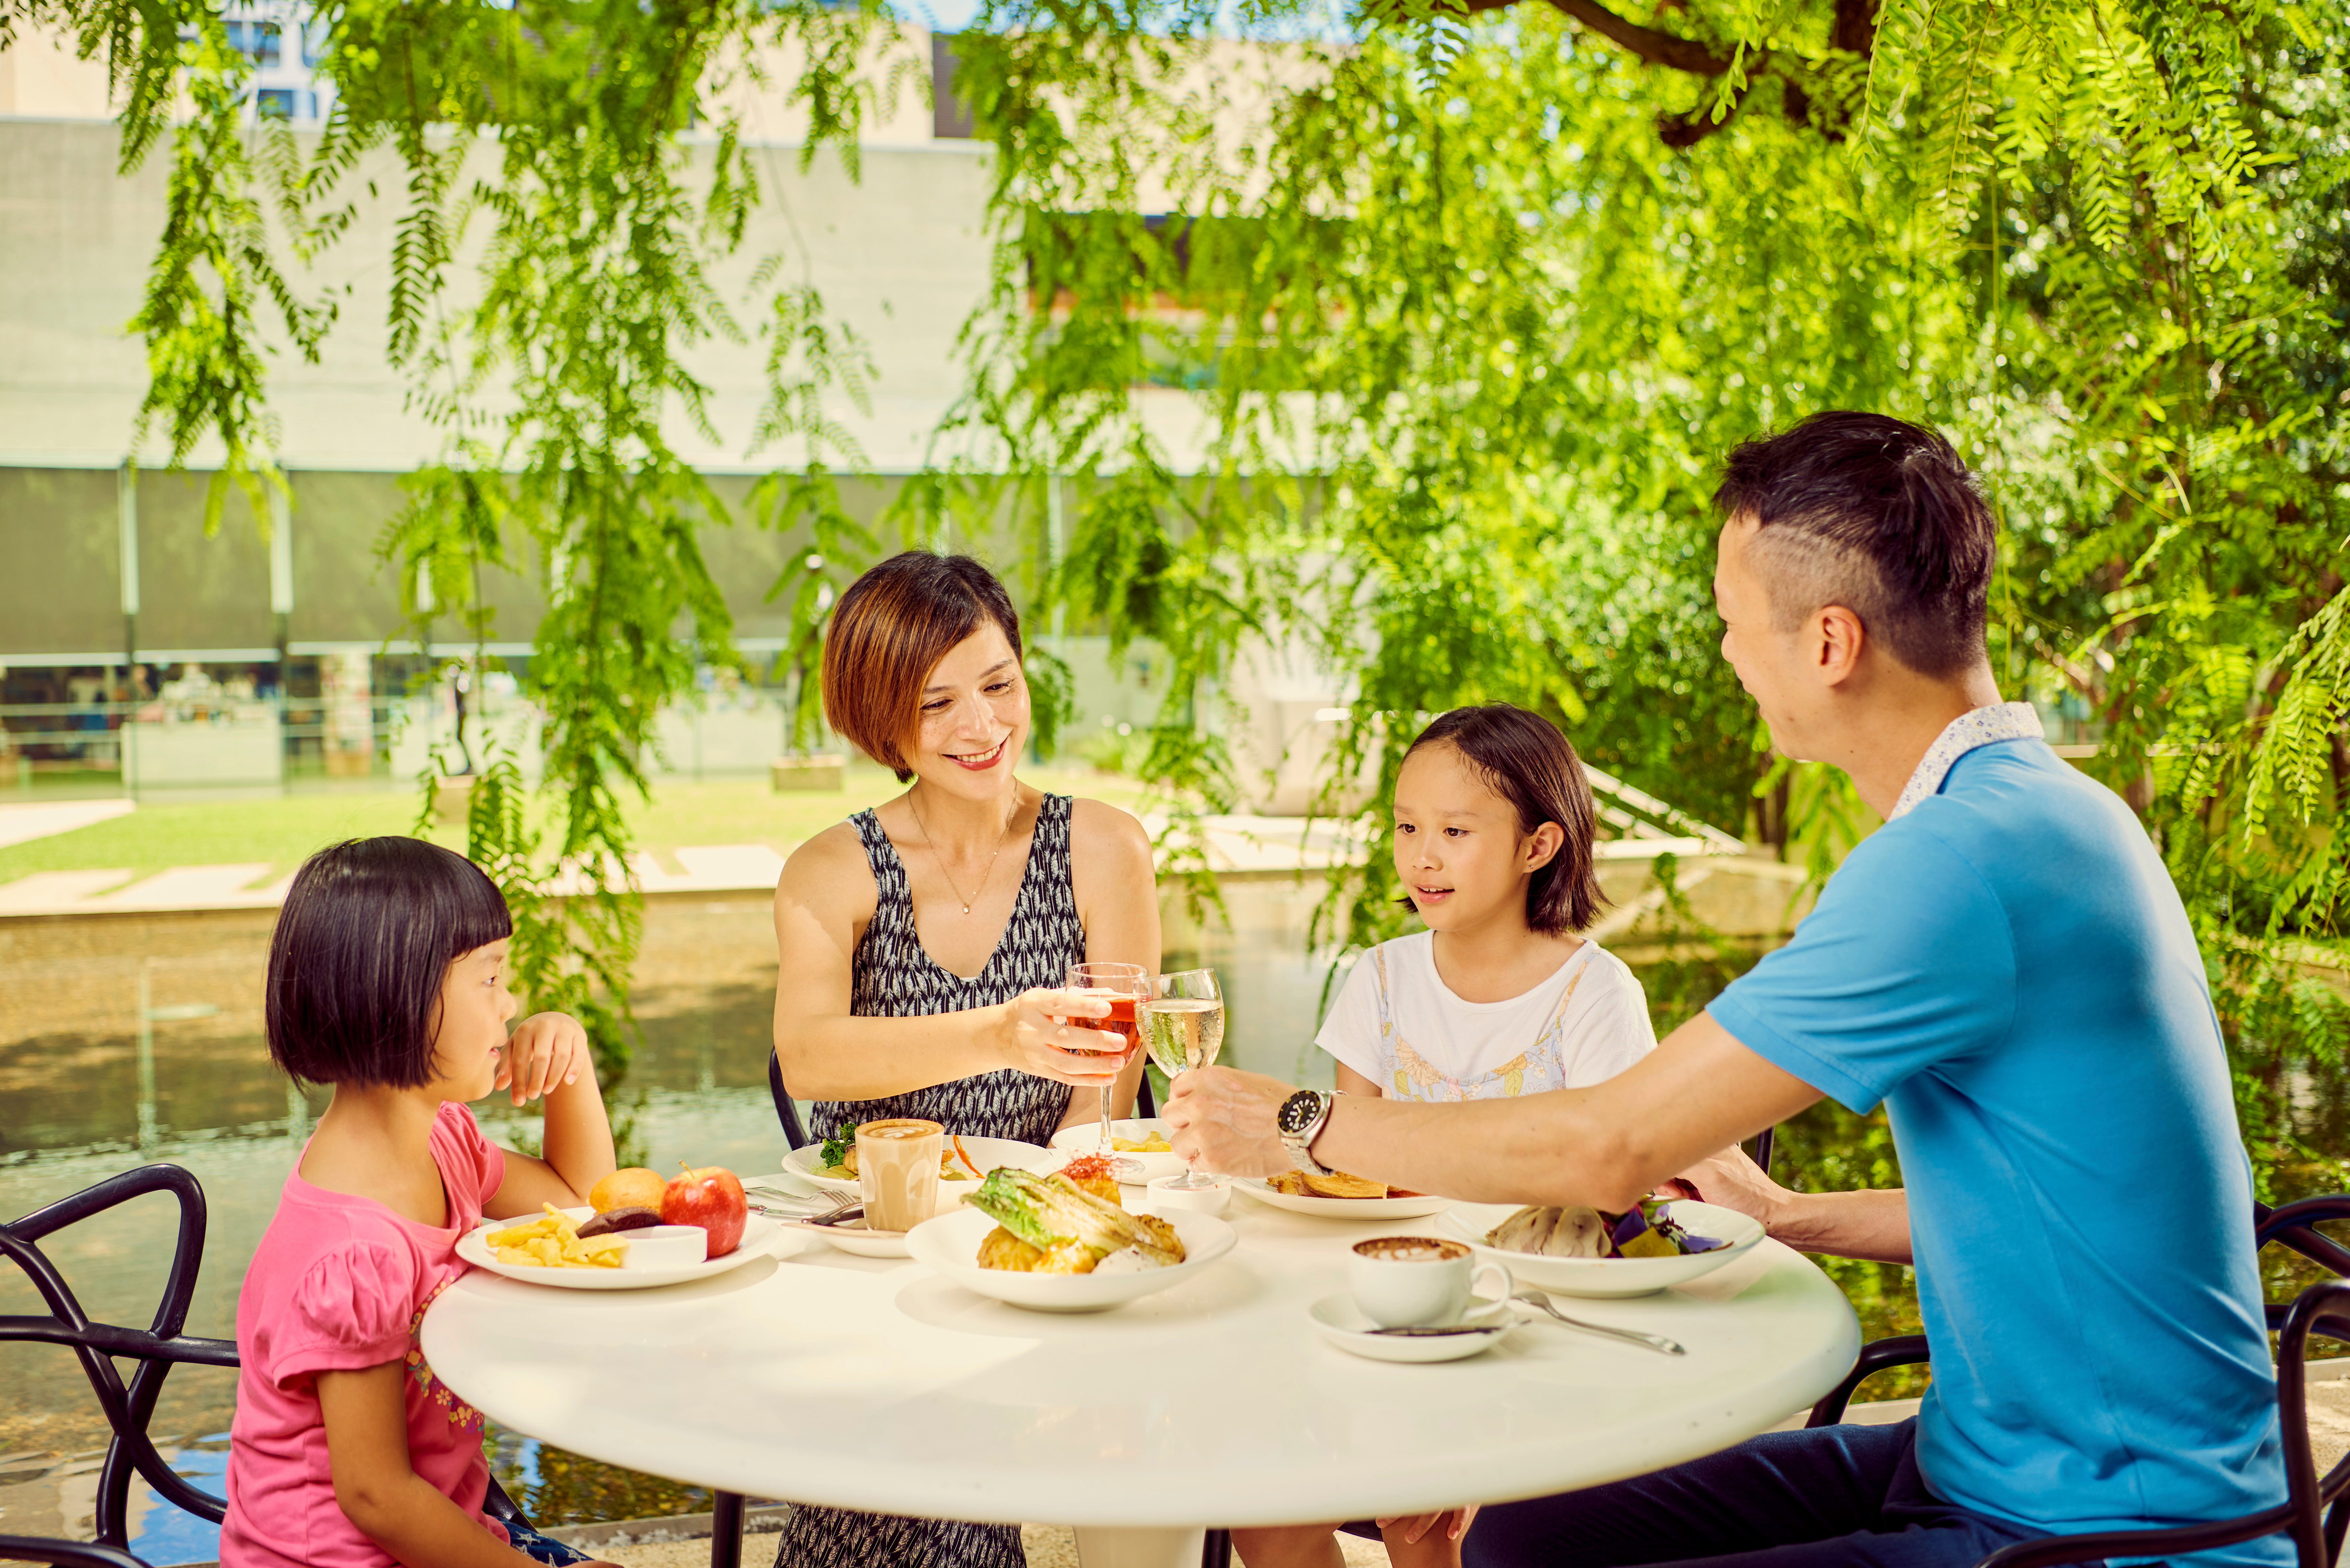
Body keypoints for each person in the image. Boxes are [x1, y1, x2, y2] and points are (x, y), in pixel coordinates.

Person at [1166, 411, 2289, 1567]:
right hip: (1980, 1460)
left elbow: (1608, 1145)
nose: (1723, 656)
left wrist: (1302, 1125)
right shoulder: (2056, 813)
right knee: (1515, 1540)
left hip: (2117, 1533)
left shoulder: (1954, 865)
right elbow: (2060, 1211)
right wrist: (1787, 1217)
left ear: (1828, 644)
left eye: (1729, 624)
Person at [769, 550, 1158, 1568]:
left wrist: (1059, 1208)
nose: (980, 727)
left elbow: (1109, 1077)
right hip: (889, 1242)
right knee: (926, 1492)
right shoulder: (832, 867)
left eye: (998, 685)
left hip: (1053, 1230)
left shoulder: (1102, 845)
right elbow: (806, 1057)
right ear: (880, 719)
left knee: (1154, 1464)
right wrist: (996, 1028)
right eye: (936, 702)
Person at [1234, 702, 1656, 1568]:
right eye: (1405, 825)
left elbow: (1611, 1214)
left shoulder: (1594, 994)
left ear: (1538, 845)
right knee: (1260, 1500)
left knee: (1420, 1506)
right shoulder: (1381, 977)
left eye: (1454, 829)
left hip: (1542, 1327)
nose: (1420, 854)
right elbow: (1347, 1183)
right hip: (1394, 1304)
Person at [221, 837, 622, 1568]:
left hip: (438, 1525)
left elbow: (576, 1205)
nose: (510, 1004)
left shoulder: (445, 1138)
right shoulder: (356, 1253)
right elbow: (376, 1496)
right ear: (397, 995)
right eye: (490, 978)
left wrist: (571, 1061)